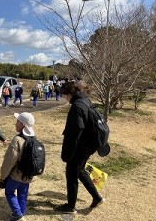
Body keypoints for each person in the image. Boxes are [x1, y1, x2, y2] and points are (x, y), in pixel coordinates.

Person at [55, 81, 105, 214]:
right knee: (80, 170)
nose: (65, 98)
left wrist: (67, 153)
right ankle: (96, 197)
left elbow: (74, 132)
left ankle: (70, 207)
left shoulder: (77, 106)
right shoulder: (85, 100)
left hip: (81, 146)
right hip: (89, 145)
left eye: (65, 95)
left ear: (70, 94)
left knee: (71, 173)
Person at [0, 112, 36, 221]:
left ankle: (18, 215)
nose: (15, 124)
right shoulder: (34, 138)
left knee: (9, 192)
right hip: (28, 174)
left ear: (23, 125)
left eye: (17, 121)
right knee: (23, 194)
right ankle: (21, 213)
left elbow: (8, 162)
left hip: (16, 175)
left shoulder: (17, 140)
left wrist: (2, 177)